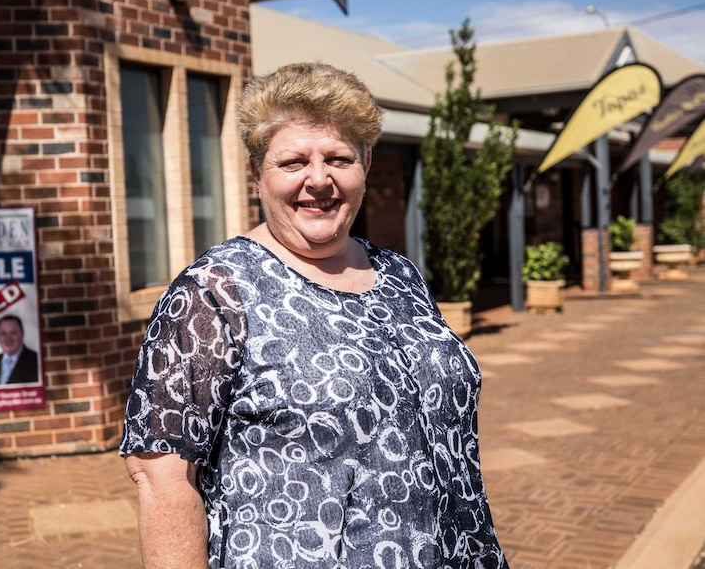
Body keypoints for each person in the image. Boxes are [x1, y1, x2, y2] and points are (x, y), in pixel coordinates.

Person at [120, 62, 509, 568]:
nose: (319, 180)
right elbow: (162, 476)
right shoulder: (214, 294)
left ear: (366, 165)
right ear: (256, 171)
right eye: (293, 162)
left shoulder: (399, 274)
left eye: (339, 158)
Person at [0, 314, 39, 386]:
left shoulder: (35, 361)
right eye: (3, 333)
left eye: (13, 333)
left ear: (22, 334)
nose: (8, 338)